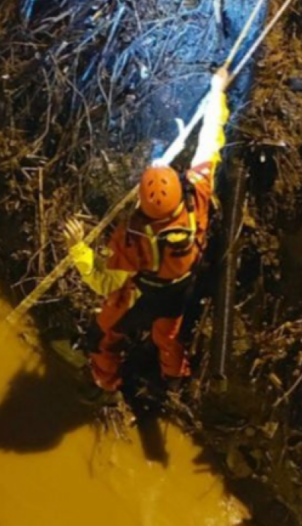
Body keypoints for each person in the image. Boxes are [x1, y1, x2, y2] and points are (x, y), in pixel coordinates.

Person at [63, 68, 231, 403]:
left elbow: (104, 283)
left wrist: (77, 249)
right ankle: (173, 380)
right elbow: (210, 142)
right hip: (181, 289)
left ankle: (106, 384)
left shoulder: (134, 236)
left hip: (144, 293)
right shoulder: (196, 191)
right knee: (168, 338)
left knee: (104, 335)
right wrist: (218, 93)